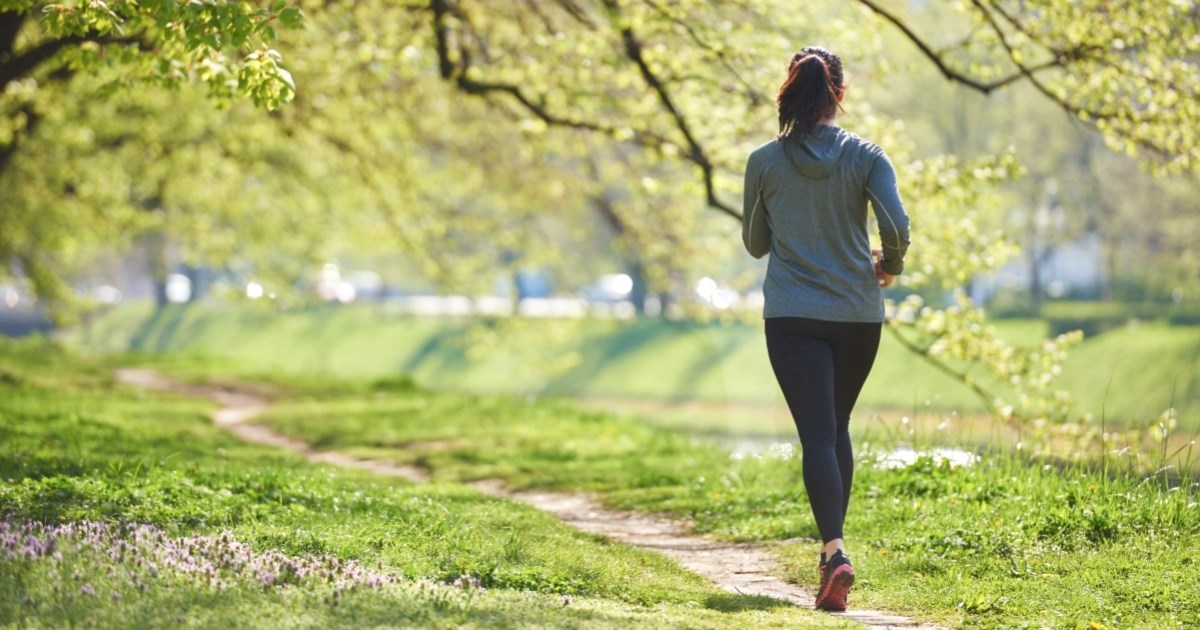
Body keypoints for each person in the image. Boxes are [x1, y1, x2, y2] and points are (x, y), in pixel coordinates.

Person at [741, 46, 910, 612]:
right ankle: (832, 554)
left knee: (817, 433)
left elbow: (756, 244)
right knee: (836, 427)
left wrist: (781, 208)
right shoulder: (866, 156)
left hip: (792, 315)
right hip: (858, 315)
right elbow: (897, 224)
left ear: (789, 91)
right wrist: (889, 265)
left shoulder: (764, 160)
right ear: (839, 94)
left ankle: (835, 552)